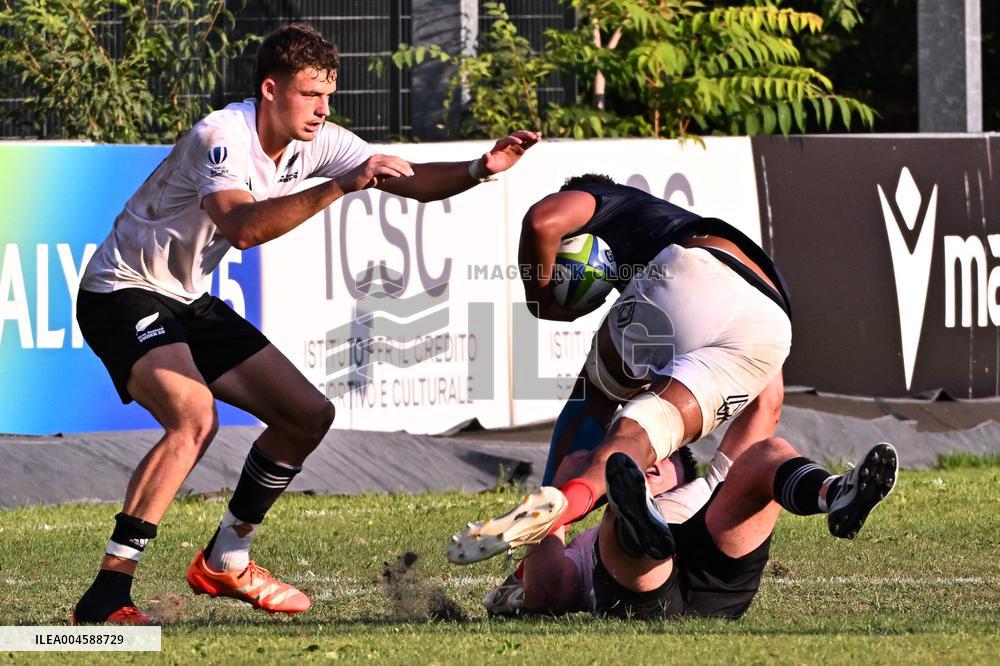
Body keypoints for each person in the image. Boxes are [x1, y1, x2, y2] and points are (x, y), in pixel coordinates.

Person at [72, 23, 540, 625]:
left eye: (329, 95)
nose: (323, 110)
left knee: (306, 415)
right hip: (121, 293)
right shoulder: (222, 137)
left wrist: (482, 166)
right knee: (194, 419)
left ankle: (227, 557)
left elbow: (403, 178)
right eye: (310, 95)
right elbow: (243, 228)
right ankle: (108, 591)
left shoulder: (314, 139)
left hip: (185, 298)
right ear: (271, 90)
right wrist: (339, 185)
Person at [450, 173, 790, 564]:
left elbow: (542, 221)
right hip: (771, 324)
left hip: (689, 271)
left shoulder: (600, 196)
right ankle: (693, 511)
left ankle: (550, 525)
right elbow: (770, 403)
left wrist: (540, 296)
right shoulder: (662, 225)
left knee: (596, 398)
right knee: (643, 435)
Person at [520, 436, 898, 619]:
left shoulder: (705, 485)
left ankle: (835, 493)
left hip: (715, 574)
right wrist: (555, 499)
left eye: (661, 457)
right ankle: (638, 523)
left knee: (767, 451)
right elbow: (545, 592)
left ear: (682, 475)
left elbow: (765, 398)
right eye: (645, 456)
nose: (650, 462)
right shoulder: (585, 545)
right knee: (619, 522)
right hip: (647, 597)